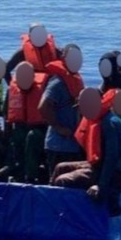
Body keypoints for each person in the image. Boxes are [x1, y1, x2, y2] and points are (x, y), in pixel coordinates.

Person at [51, 88, 121, 216]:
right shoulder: (98, 119)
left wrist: (100, 186)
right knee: (59, 167)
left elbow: (111, 158)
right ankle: (51, 207)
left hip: (114, 175)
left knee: (63, 180)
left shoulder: (109, 123)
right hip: (98, 166)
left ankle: (64, 216)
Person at [38, 43, 88, 178]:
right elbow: (43, 106)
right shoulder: (58, 82)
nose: (76, 60)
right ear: (64, 58)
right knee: (57, 183)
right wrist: (58, 127)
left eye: (79, 57)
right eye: (72, 57)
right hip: (58, 146)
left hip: (72, 145)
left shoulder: (75, 80)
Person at [4, 61, 49, 184]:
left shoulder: (43, 89)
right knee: (16, 137)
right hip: (20, 126)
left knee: (32, 137)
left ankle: (30, 176)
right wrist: (6, 135)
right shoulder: (11, 91)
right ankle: (16, 172)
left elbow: (50, 112)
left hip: (40, 129)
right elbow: (6, 115)